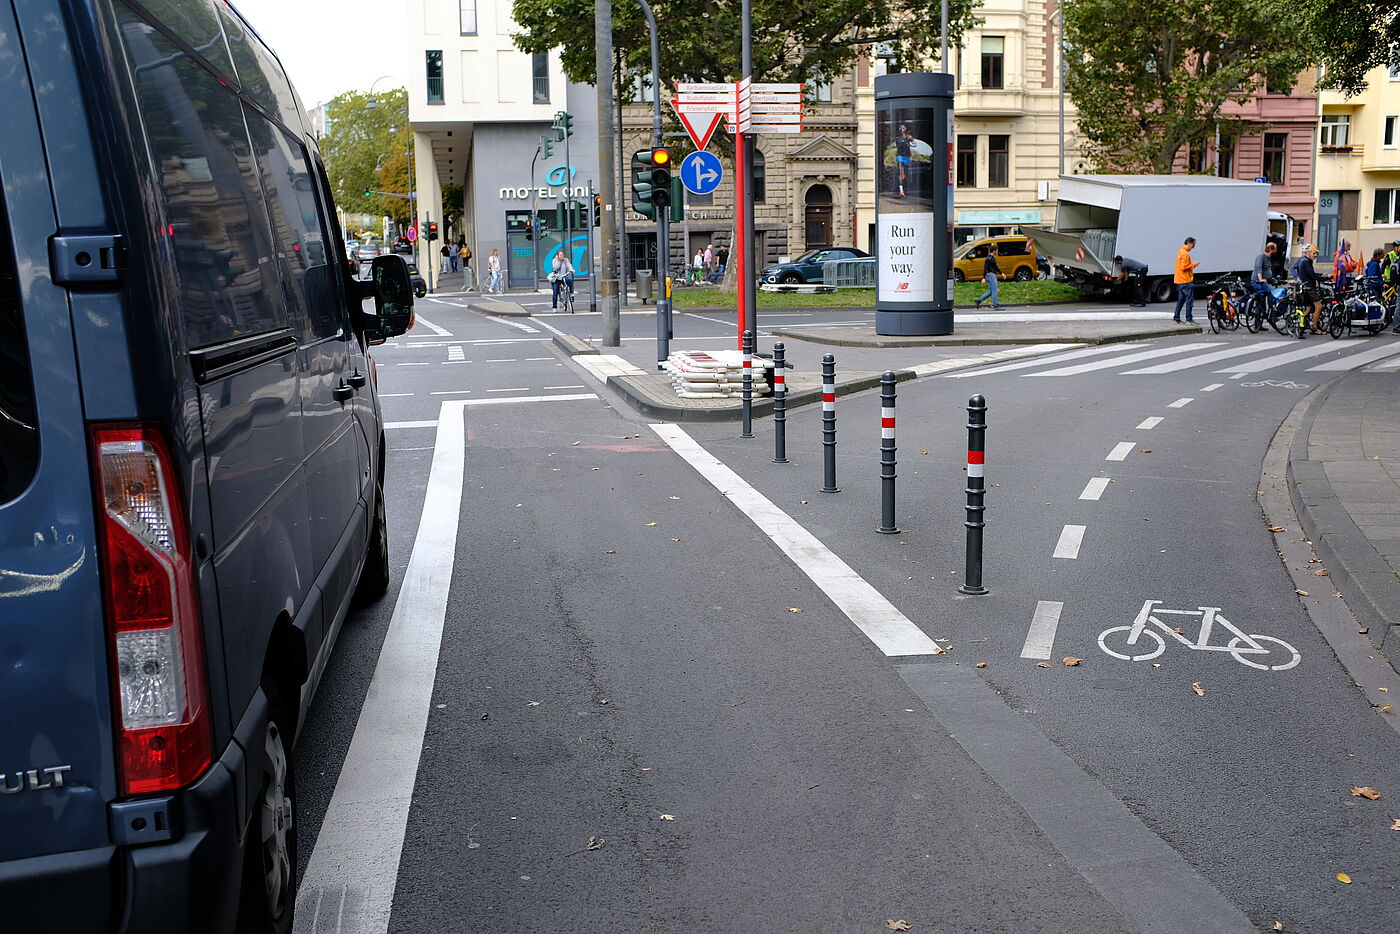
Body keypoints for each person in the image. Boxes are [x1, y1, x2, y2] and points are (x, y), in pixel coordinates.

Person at [1294, 244, 1325, 338]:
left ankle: (1302, 324)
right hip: (1309, 288)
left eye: (1316, 254)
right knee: (1319, 306)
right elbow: (1312, 275)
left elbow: (1311, 274)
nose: (1315, 255)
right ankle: (1315, 328)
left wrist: (1322, 275)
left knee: (1309, 307)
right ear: (1308, 253)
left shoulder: (1304, 260)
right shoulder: (1306, 262)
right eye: (1314, 253)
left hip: (1305, 288)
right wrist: (1323, 278)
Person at [1173, 236, 1199, 323]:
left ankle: (1176, 318)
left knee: (1181, 300)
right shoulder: (1185, 254)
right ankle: (1189, 319)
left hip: (1179, 280)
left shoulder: (1180, 251)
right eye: (1193, 245)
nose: (1193, 247)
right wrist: (1193, 265)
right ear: (1189, 243)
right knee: (1189, 301)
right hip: (1185, 280)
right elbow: (1184, 267)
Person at [974, 245, 1003, 309]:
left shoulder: (992, 258)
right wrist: (983, 277)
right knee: (994, 290)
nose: (997, 252)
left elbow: (996, 267)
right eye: (996, 250)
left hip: (991, 275)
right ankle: (996, 305)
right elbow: (985, 268)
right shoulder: (989, 259)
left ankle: (979, 300)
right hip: (991, 275)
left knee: (991, 291)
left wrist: (1002, 273)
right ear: (994, 251)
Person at [895, 124, 912, 197]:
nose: (902, 129)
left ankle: (906, 188)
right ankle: (901, 191)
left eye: (903, 128)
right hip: (900, 156)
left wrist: (911, 140)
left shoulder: (908, 137)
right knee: (899, 171)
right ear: (899, 129)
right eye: (901, 128)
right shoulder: (897, 138)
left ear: (905, 129)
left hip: (907, 156)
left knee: (906, 172)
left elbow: (914, 142)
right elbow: (896, 145)